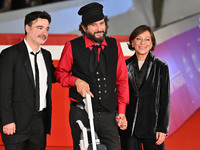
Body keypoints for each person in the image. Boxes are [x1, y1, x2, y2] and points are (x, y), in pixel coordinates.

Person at [54, 2, 129, 150]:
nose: (99, 29)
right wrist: (75, 81)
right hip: (81, 112)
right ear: (84, 27)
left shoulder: (115, 45)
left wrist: (121, 112)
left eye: (101, 23)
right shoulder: (72, 46)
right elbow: (59, 73)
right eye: (93, 25)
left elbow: (122, 79)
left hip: (109, 114)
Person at [0, 11, 56, 150]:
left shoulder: (47, 56)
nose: (44, 33)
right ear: (27, 28)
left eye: (47, 29)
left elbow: (56, 77)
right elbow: (3, 90)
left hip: (40, 124)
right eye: (39, 27)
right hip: (15, 124)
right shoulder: (9, 55)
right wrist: (7, 121)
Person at [119, 25, 170, 150]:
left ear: (152, 43)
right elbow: (119, 94)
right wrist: (119, 116)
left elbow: (165, 100)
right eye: (138, 39)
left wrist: (162, 129)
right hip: (129, 127)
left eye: (147, 39)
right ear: (132, 42)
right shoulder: (123, 66)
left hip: (152, 127)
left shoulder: (161, 67)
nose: (143, 43)